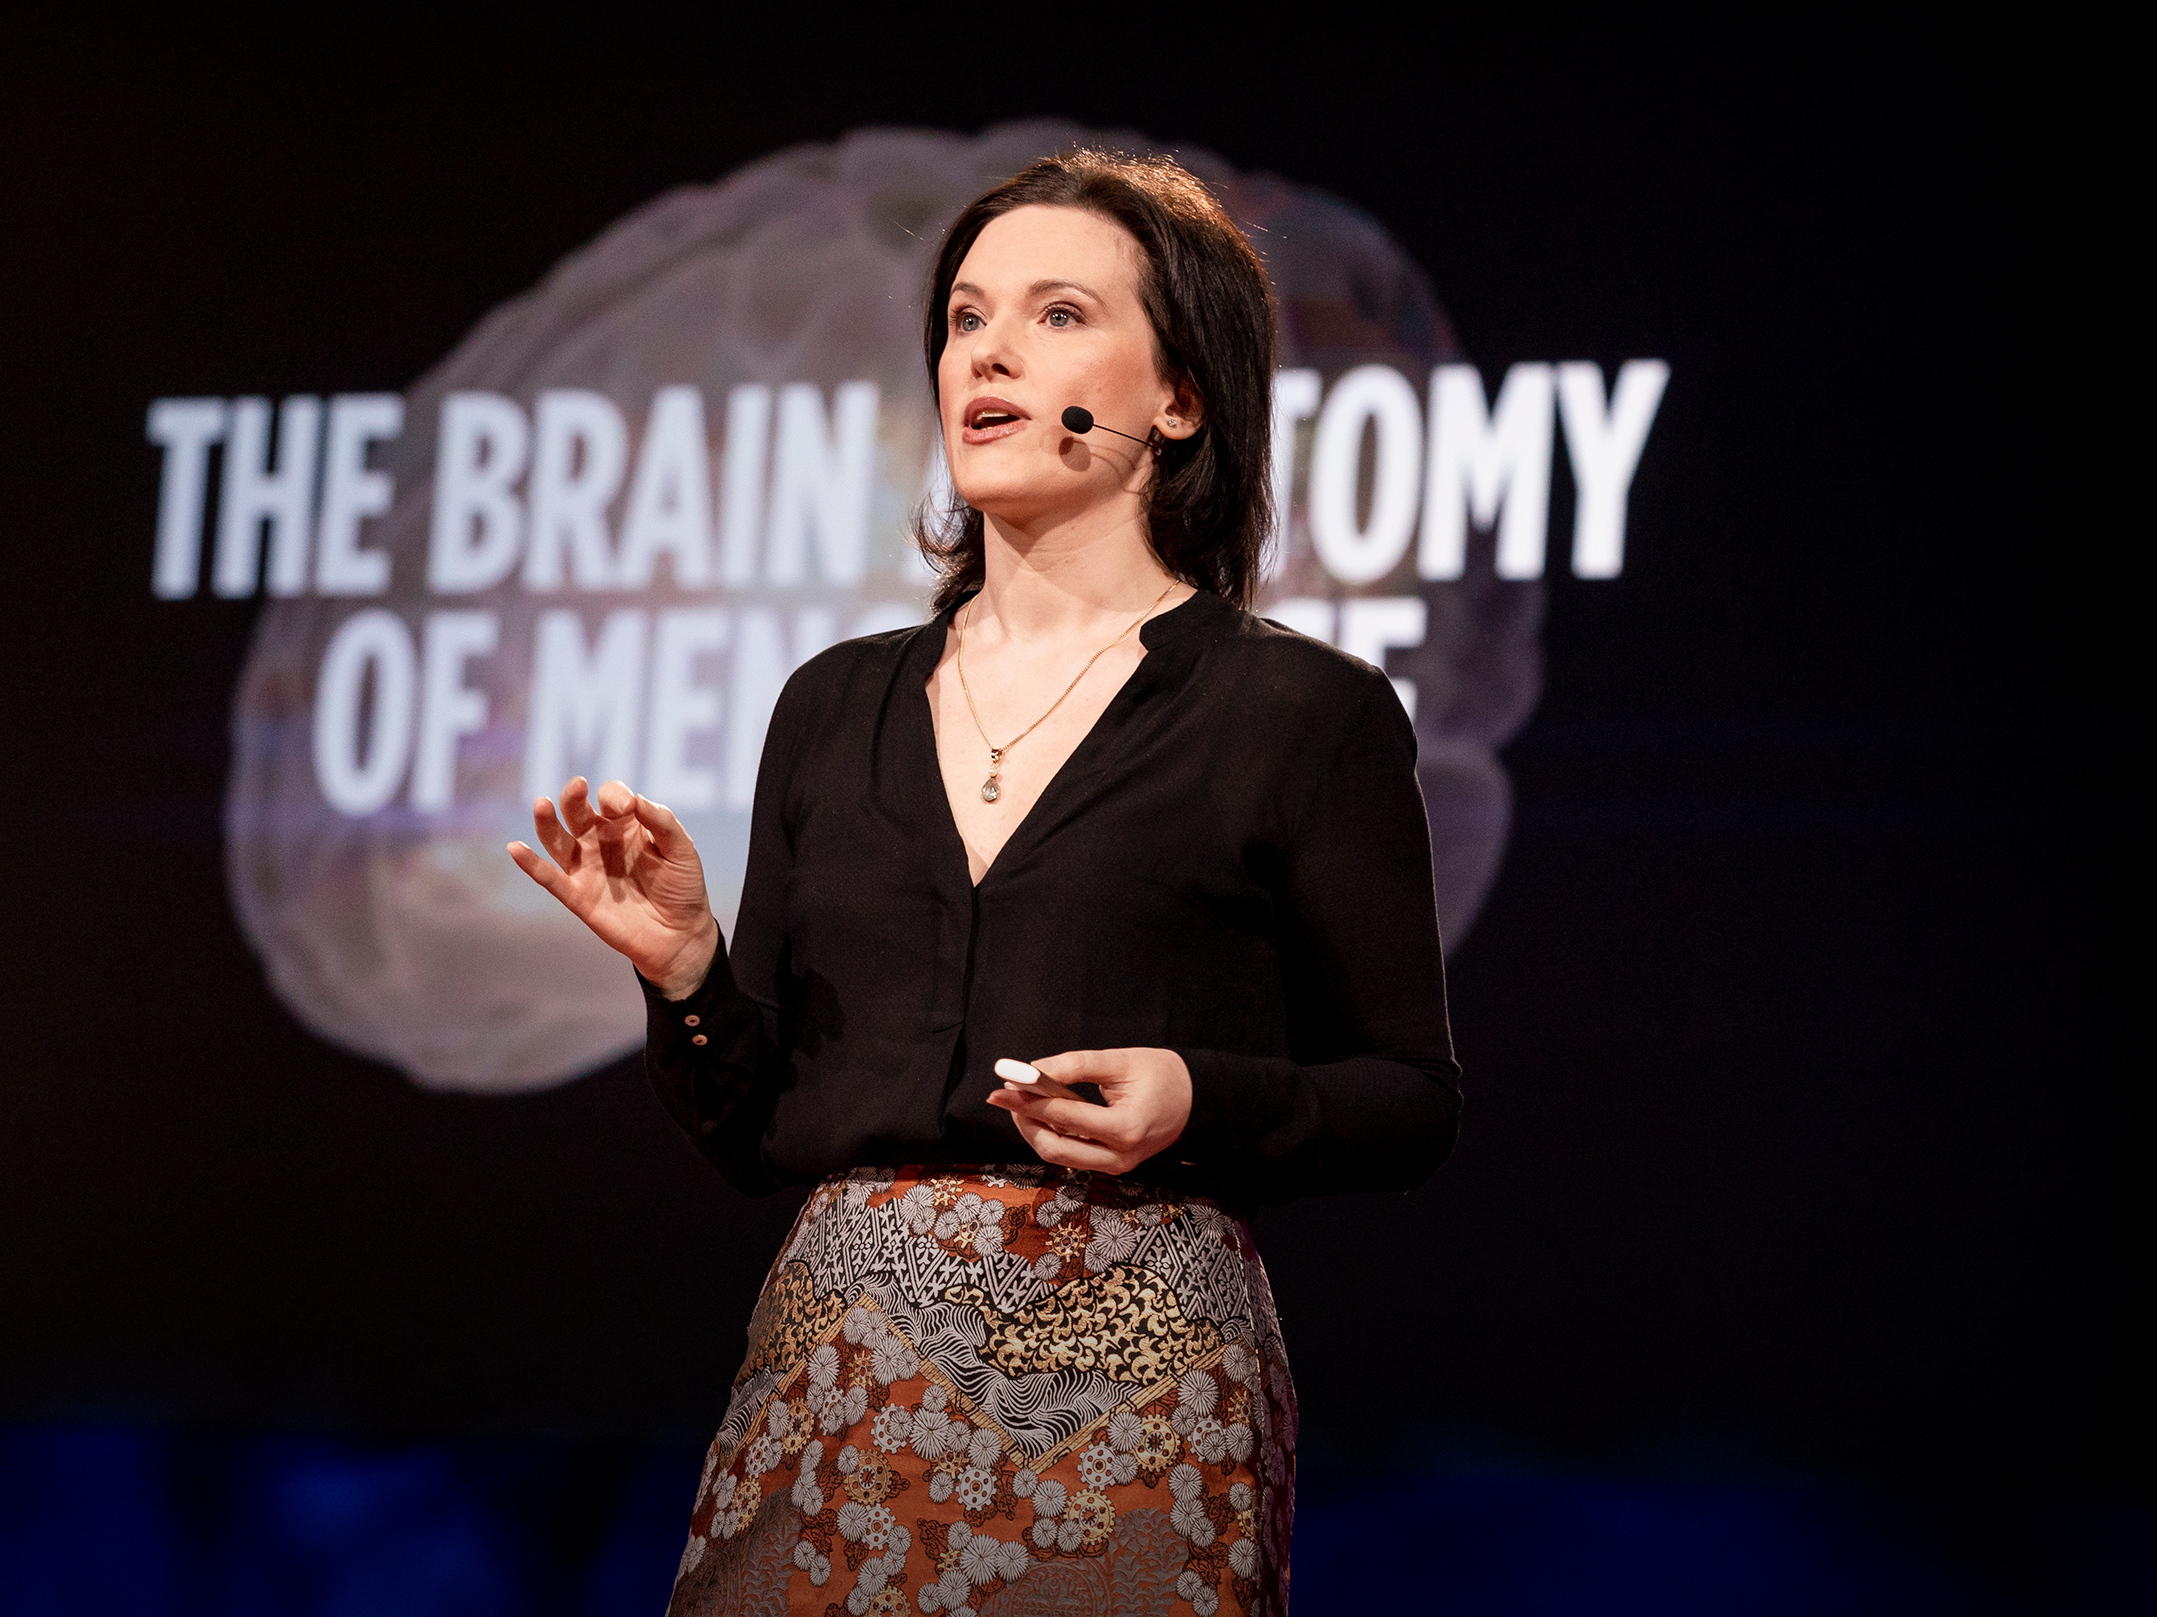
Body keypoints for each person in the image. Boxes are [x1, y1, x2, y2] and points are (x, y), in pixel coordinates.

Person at [508, 149, 1461, 1617]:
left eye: (1058, 313)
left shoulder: (1299, 714)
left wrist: (1201, 1095)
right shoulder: (833, 707)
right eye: (963, 318)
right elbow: (759, 1125)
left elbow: (1407, 1092)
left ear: (1180, 399)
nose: (991, 352)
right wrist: (688, 968)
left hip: (1133, 1383)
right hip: (837, 1382)